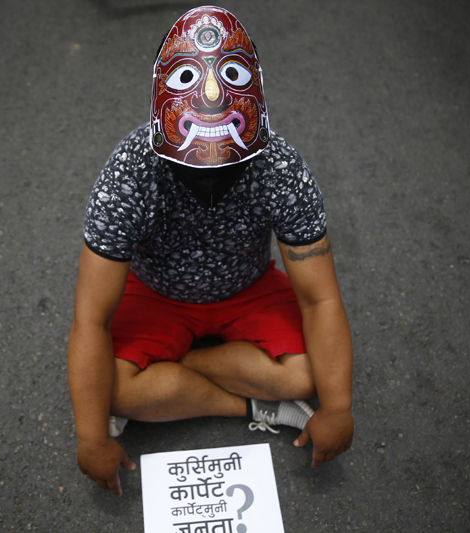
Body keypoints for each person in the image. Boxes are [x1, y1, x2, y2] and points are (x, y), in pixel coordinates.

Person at [67, 6, 353, 497]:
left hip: (249, 287)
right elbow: (90, 318)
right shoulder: (128, 174)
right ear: (162, 135)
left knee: (313, 376)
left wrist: (340, 408)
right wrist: (90, 437)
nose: (210, 183)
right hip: (156, 291)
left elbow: (320, 300)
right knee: (104, 392)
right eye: (193, 170)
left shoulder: (280, 168)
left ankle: (174, 378)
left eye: (227, 169)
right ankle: (252, 406)